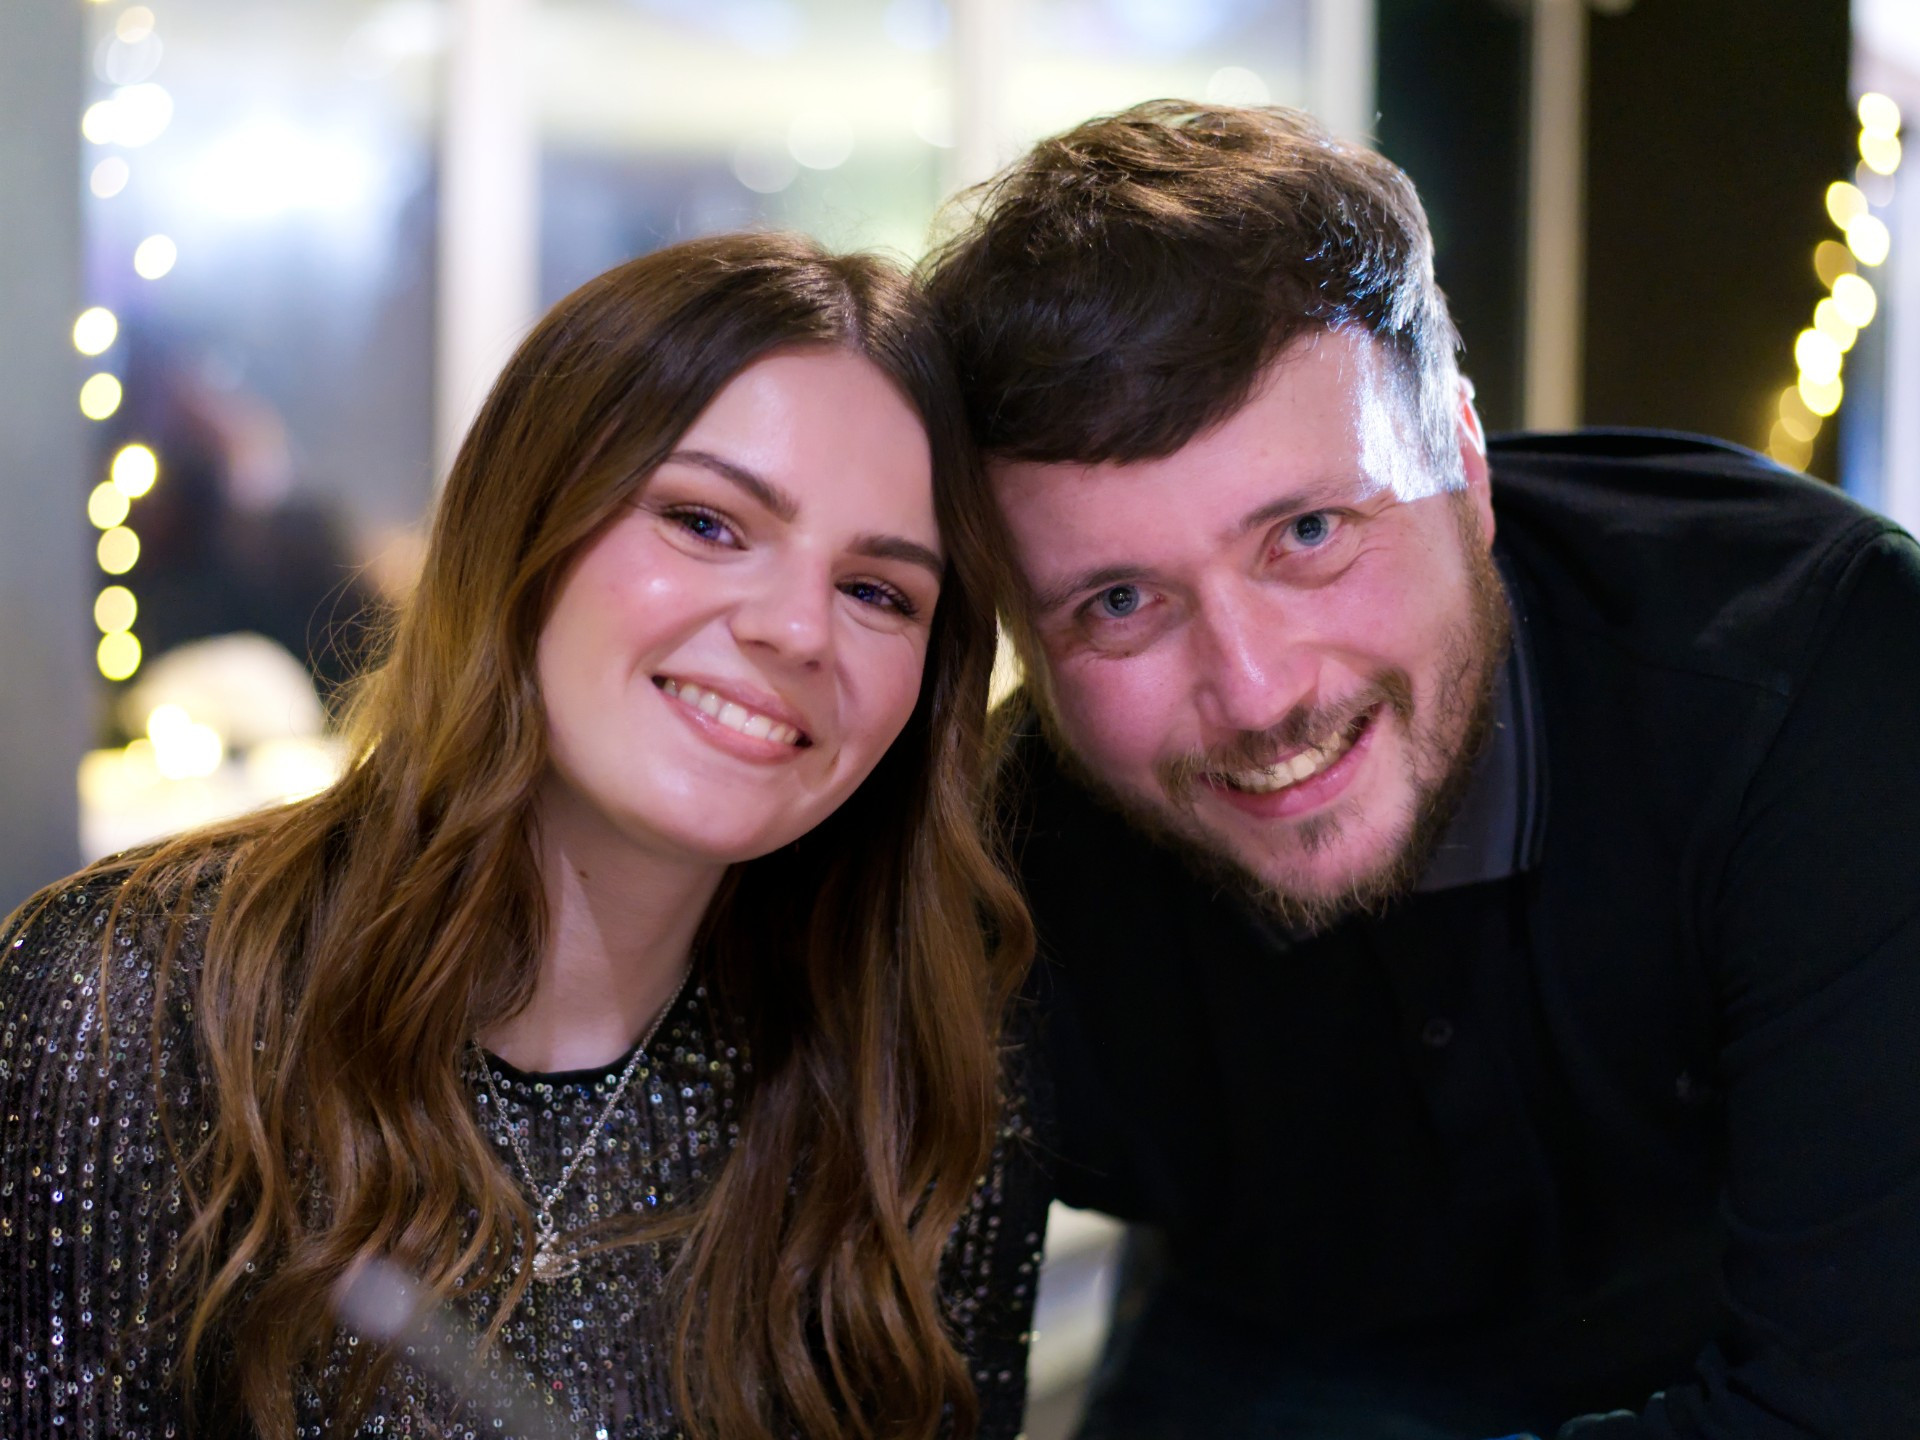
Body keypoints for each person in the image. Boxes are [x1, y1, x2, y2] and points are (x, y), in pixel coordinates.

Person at [926, 101, 1920, 1440]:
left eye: (1310, 531)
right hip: (1273, 1344)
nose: (1258, 694)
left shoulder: (1818, 675)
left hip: (1734, 1333)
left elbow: (1848, 1406)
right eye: (1118, 602)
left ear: (1463, 461)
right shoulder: (997, 867)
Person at [0, 233, 1044, 1440]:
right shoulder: (132, 1006)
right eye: (707, 522)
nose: (799, 630)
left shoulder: (924, 1079)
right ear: (524, 525)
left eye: (878, 592)